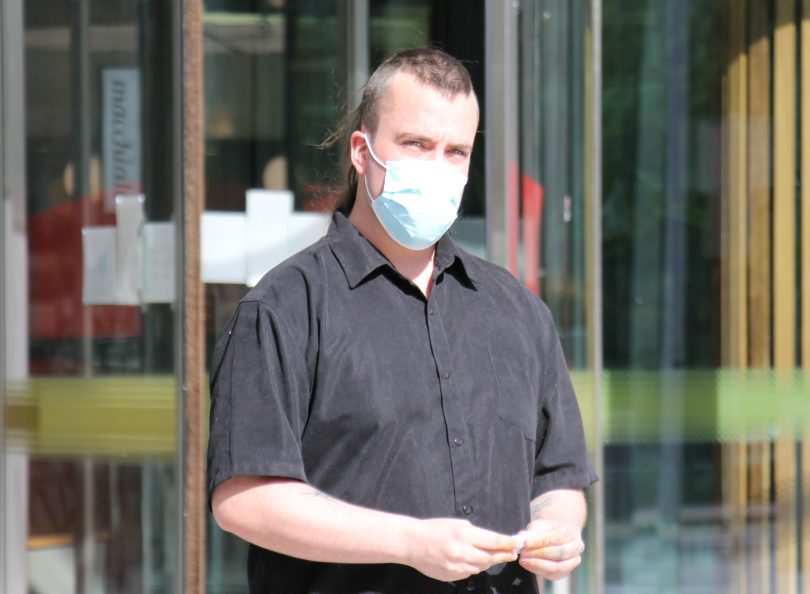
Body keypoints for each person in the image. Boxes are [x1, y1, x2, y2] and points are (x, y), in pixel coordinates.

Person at [207, 47, 598, 594]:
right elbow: (244, 499)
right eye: (416, 144)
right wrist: (410, 543)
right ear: (363, 153)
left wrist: (558, 529)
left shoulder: (517, 309)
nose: (437, 167)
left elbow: (559, 480)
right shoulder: (283, 308)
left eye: (456, 151)